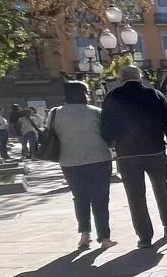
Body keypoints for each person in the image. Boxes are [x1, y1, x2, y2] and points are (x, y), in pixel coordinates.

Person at [100, 65, 167, 249]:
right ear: (141, 78)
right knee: (161, 188)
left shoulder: (112, 97)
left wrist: (113, 143)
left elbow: (105, 127)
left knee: (135, 196)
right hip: (155, 150)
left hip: (127, 155)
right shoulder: (155, 95)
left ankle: (145, 237)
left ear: (121, 79)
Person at [48, 80, 116, 251]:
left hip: (69, 161)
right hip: (99, 159)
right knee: (100, 199)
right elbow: (108, 135)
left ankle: (84, 235)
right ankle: (105, 237)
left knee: (80, 198)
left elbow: (50, 132)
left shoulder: (55, 113)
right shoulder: (96, 112)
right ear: (83, 94)